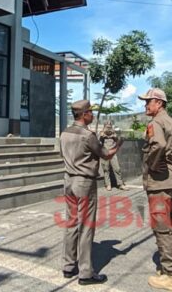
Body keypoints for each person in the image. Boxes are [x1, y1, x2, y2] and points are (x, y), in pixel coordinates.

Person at [59, 99, 122, 285]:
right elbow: (106, 154)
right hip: (84, 183)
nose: (92, 115)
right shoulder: (88, 135)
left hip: (68, 181)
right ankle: (85, 272)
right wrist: (118, 145)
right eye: (91, 112)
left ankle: (68, 266)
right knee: (85, 226)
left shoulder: (64, 132)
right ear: (85, 114)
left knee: (71, 223)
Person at [139, 88, 172, 292]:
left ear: (158, 102)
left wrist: (154, 166)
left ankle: (170, 275)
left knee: (161, 225)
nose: (146, 105)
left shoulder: (156, 122)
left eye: (148, 101)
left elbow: (158, 146)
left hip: (160, 180)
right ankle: (169, 268)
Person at [99, 121, 128, 191]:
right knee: (106, 169)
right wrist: (102, 136)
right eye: (107, 125)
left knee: (117, 168)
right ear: (104, 126)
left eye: (110, 125)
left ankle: (120, 184)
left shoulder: (114, 132)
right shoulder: (101, 132)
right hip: (105, 152)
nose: (108, 127)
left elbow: (118, 141)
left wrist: (114, 136)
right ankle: (108, 185)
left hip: (113, 153)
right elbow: (99, 142)